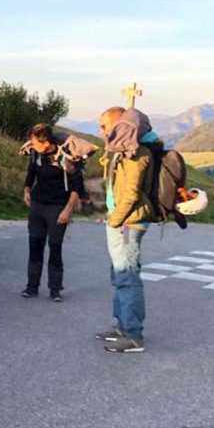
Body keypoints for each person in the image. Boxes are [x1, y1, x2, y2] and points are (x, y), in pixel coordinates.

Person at [95, 106, 157, 354]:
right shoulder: (124, 151)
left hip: (129, 223)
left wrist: (115, 219)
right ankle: (122, 326)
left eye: (104, 126)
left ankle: (133, 336)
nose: (101, 131)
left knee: (127, 276)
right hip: (122, 220)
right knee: (119, 274)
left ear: (119, 124)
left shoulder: (136, 153)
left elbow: (131, 194)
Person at [22, 123, 84, 302]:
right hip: (38, 205)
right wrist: (27, 190)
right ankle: (31, 286)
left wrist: (68, 210)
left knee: (55, 247)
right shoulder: (35, 153)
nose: (33, 146)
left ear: (46, 142)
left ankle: (55, 289)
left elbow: (76, 186)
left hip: (58, 207)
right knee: (35, 246)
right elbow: (31, 172)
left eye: (36, 143)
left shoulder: (64, 157)